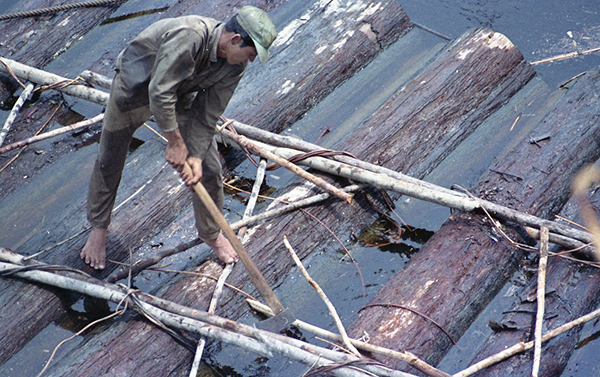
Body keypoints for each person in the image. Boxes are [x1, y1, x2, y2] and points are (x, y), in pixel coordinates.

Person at [80, 6, 277, 270]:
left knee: (209, 167)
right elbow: (159, 92)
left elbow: (207, 114)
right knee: (110, 158)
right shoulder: (190, 36)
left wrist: (193, 155)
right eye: (250, 54)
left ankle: (210, 233)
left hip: (179, 94)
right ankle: (98, 231)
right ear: (235, 40)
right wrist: (175, 143)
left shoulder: (234, 65)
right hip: (135, 88)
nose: (249, 61)